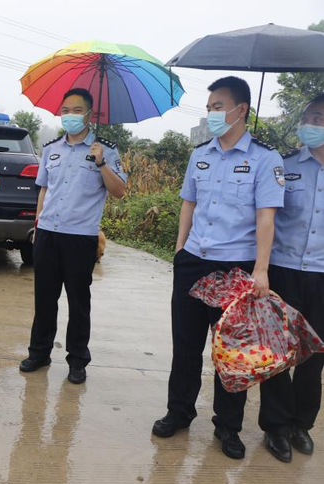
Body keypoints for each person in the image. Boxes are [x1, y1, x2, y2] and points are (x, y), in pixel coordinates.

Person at [151, 77, 285, 460]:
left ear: (240, 110)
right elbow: (188, 205)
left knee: (232, 352)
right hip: (194, 262)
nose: (211, 113)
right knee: (186, 345)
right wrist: (180, 250)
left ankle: (227, 427)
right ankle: (179, 412)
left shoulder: (264, 159)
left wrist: (261, 269)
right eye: (208, 106)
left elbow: (266, 218)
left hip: (235, 268)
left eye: (217, 106)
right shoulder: (200, 154)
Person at [18, 88, 127, 384]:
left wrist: (102, 163)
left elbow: (118, 191)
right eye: (65, 110)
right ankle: (38, 353)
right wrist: (38, 225)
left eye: (76, 110)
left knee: (79, 302)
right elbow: (44, 188)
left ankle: (78, 360)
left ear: (90, 114)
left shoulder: (105, 149)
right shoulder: (52, 148)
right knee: (45, 299)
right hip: (48, 234)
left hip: (80, 237)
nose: (70, 115)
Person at [259, 93, 324, 463]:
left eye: (318, 118)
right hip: (282, 271)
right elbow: (266, 218)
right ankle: (276, 426)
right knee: (278, 352)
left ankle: (302, 423)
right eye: (307, 117)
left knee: (314, 354)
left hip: (322, 275)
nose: (309, 125)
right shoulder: (283, 166)